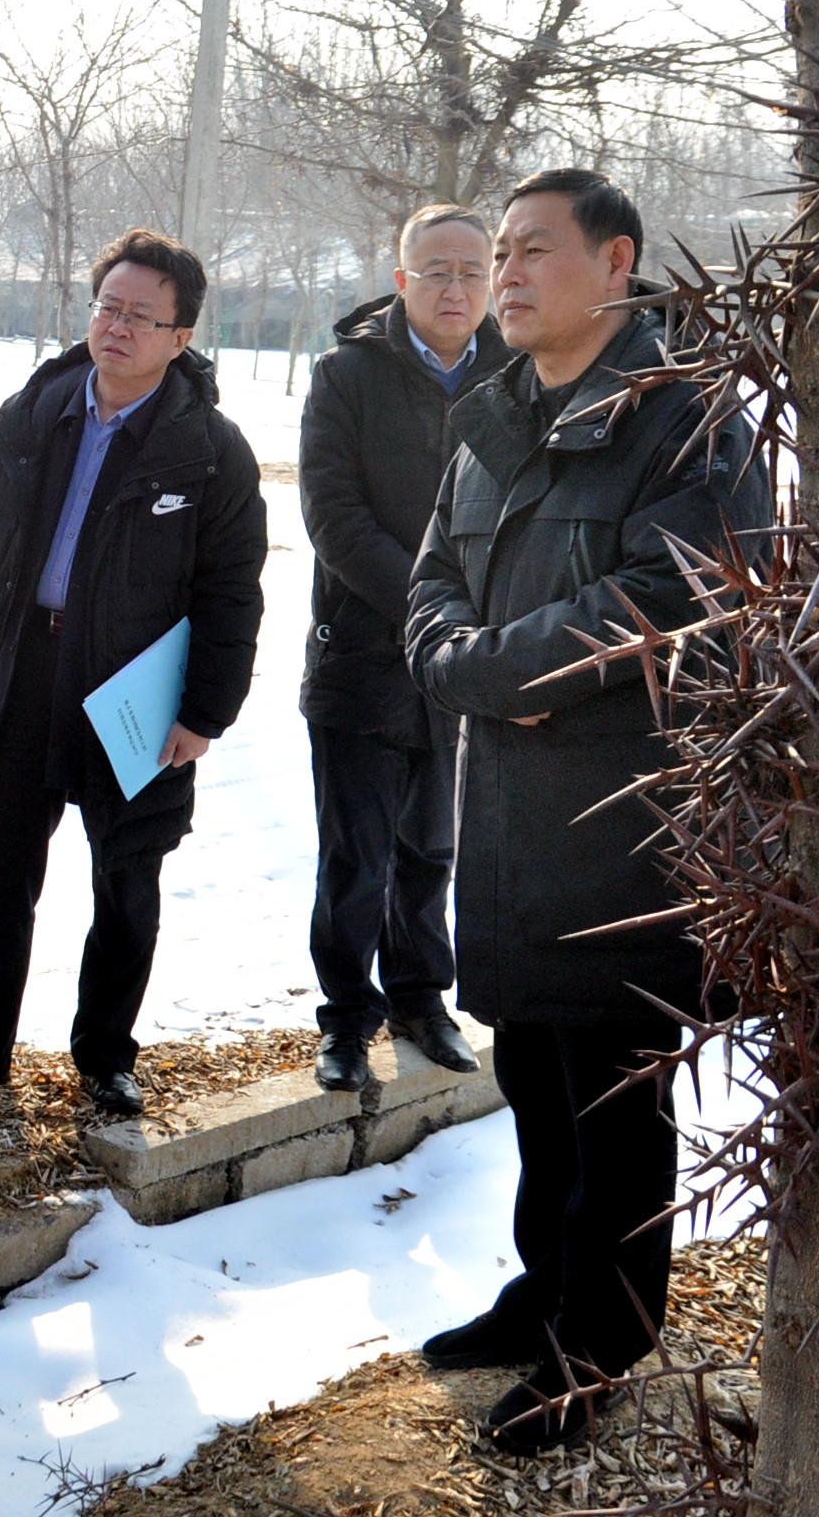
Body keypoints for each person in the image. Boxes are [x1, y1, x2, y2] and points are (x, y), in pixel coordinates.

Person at [403, 169, 753, 1455]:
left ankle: (599, 1342)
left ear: (617, 263)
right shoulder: (495, 419)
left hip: (624, 827)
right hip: (506, 819)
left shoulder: (686, 420)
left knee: (611, 1095)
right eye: (498, 249)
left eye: (532, 249)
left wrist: (492, 671)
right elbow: (429, 591)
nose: (504, 272)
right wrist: (467, 666)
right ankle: (543, 1291)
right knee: (535, 1077)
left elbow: (671, 596)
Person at [0, 229, 265, 1120]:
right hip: (25, 667)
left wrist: (205, 713)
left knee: (126, 881)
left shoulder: (208, 450)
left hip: (134, 689)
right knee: (1, 875)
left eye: (143, 316)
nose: (118, 327)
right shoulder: (34, 415)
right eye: (108, 307)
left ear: (182, 337)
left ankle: (105, 1058)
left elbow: (231, 594)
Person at [297, 205, 504, 1092]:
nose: (455, 288)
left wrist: (474, 626)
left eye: (472, 271)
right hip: (364, 651)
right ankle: (348, 1015)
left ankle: (423, 996)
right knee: (355, 855)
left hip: (472, 657)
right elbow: (333, 516)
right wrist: (429, 605)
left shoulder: (518, 372)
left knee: (432, 848)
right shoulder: (347, 374)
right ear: (401, 279)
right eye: (436, 270)